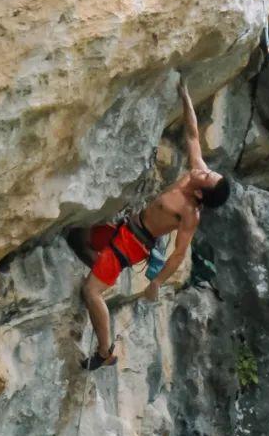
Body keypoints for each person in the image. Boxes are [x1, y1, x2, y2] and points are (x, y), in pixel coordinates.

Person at [67, 76, 232, 370]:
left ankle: (105, 352)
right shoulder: (195, 172)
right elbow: (193, 135)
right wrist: (185, 94)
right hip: (125, 227)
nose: (205, 170)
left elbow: (179, 253)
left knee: (90, 292)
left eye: (208, 177)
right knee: (77, 237)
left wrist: (155, 282)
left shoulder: (189, 214)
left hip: (133, 244)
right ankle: (103, 272)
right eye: (209, 172)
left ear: (199, 192)